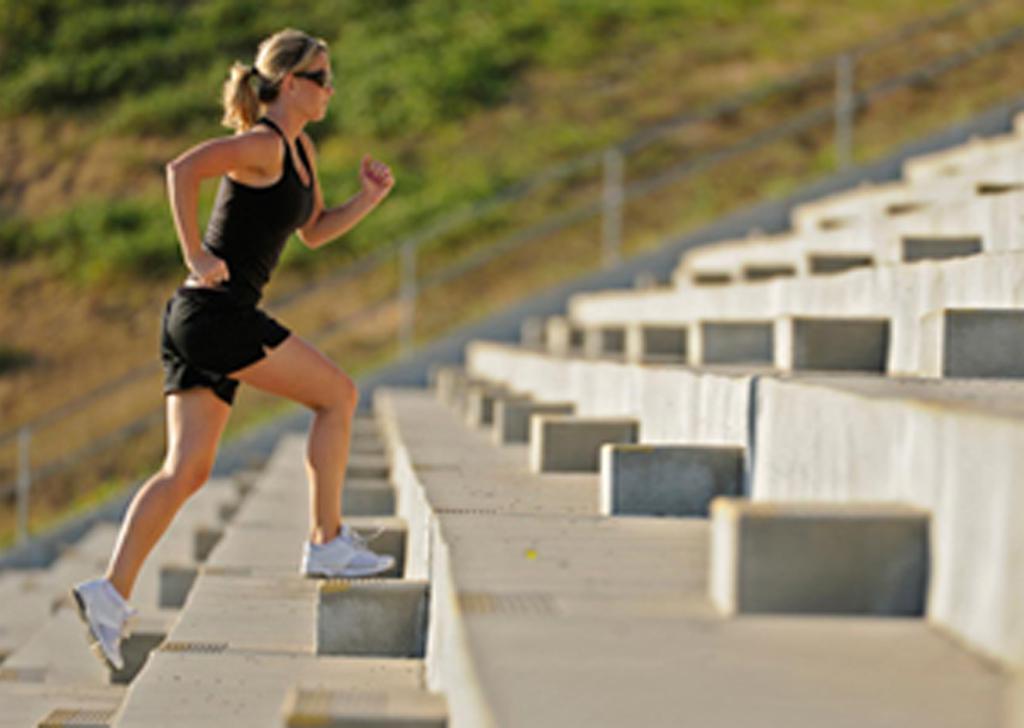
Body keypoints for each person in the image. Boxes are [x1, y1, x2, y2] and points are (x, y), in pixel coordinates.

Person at [70, 28, 396, 671]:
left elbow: (315, 232)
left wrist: (370, 198)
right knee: (339, 396)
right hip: (214, 314)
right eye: (324, 78)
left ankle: (108, 594)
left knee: (187, 470)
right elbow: (182, 169)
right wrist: (195, 252)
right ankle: (326, 540)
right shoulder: (261, 144)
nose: (333, 89)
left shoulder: (300, 150)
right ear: (293, 83)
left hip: (203, 318)